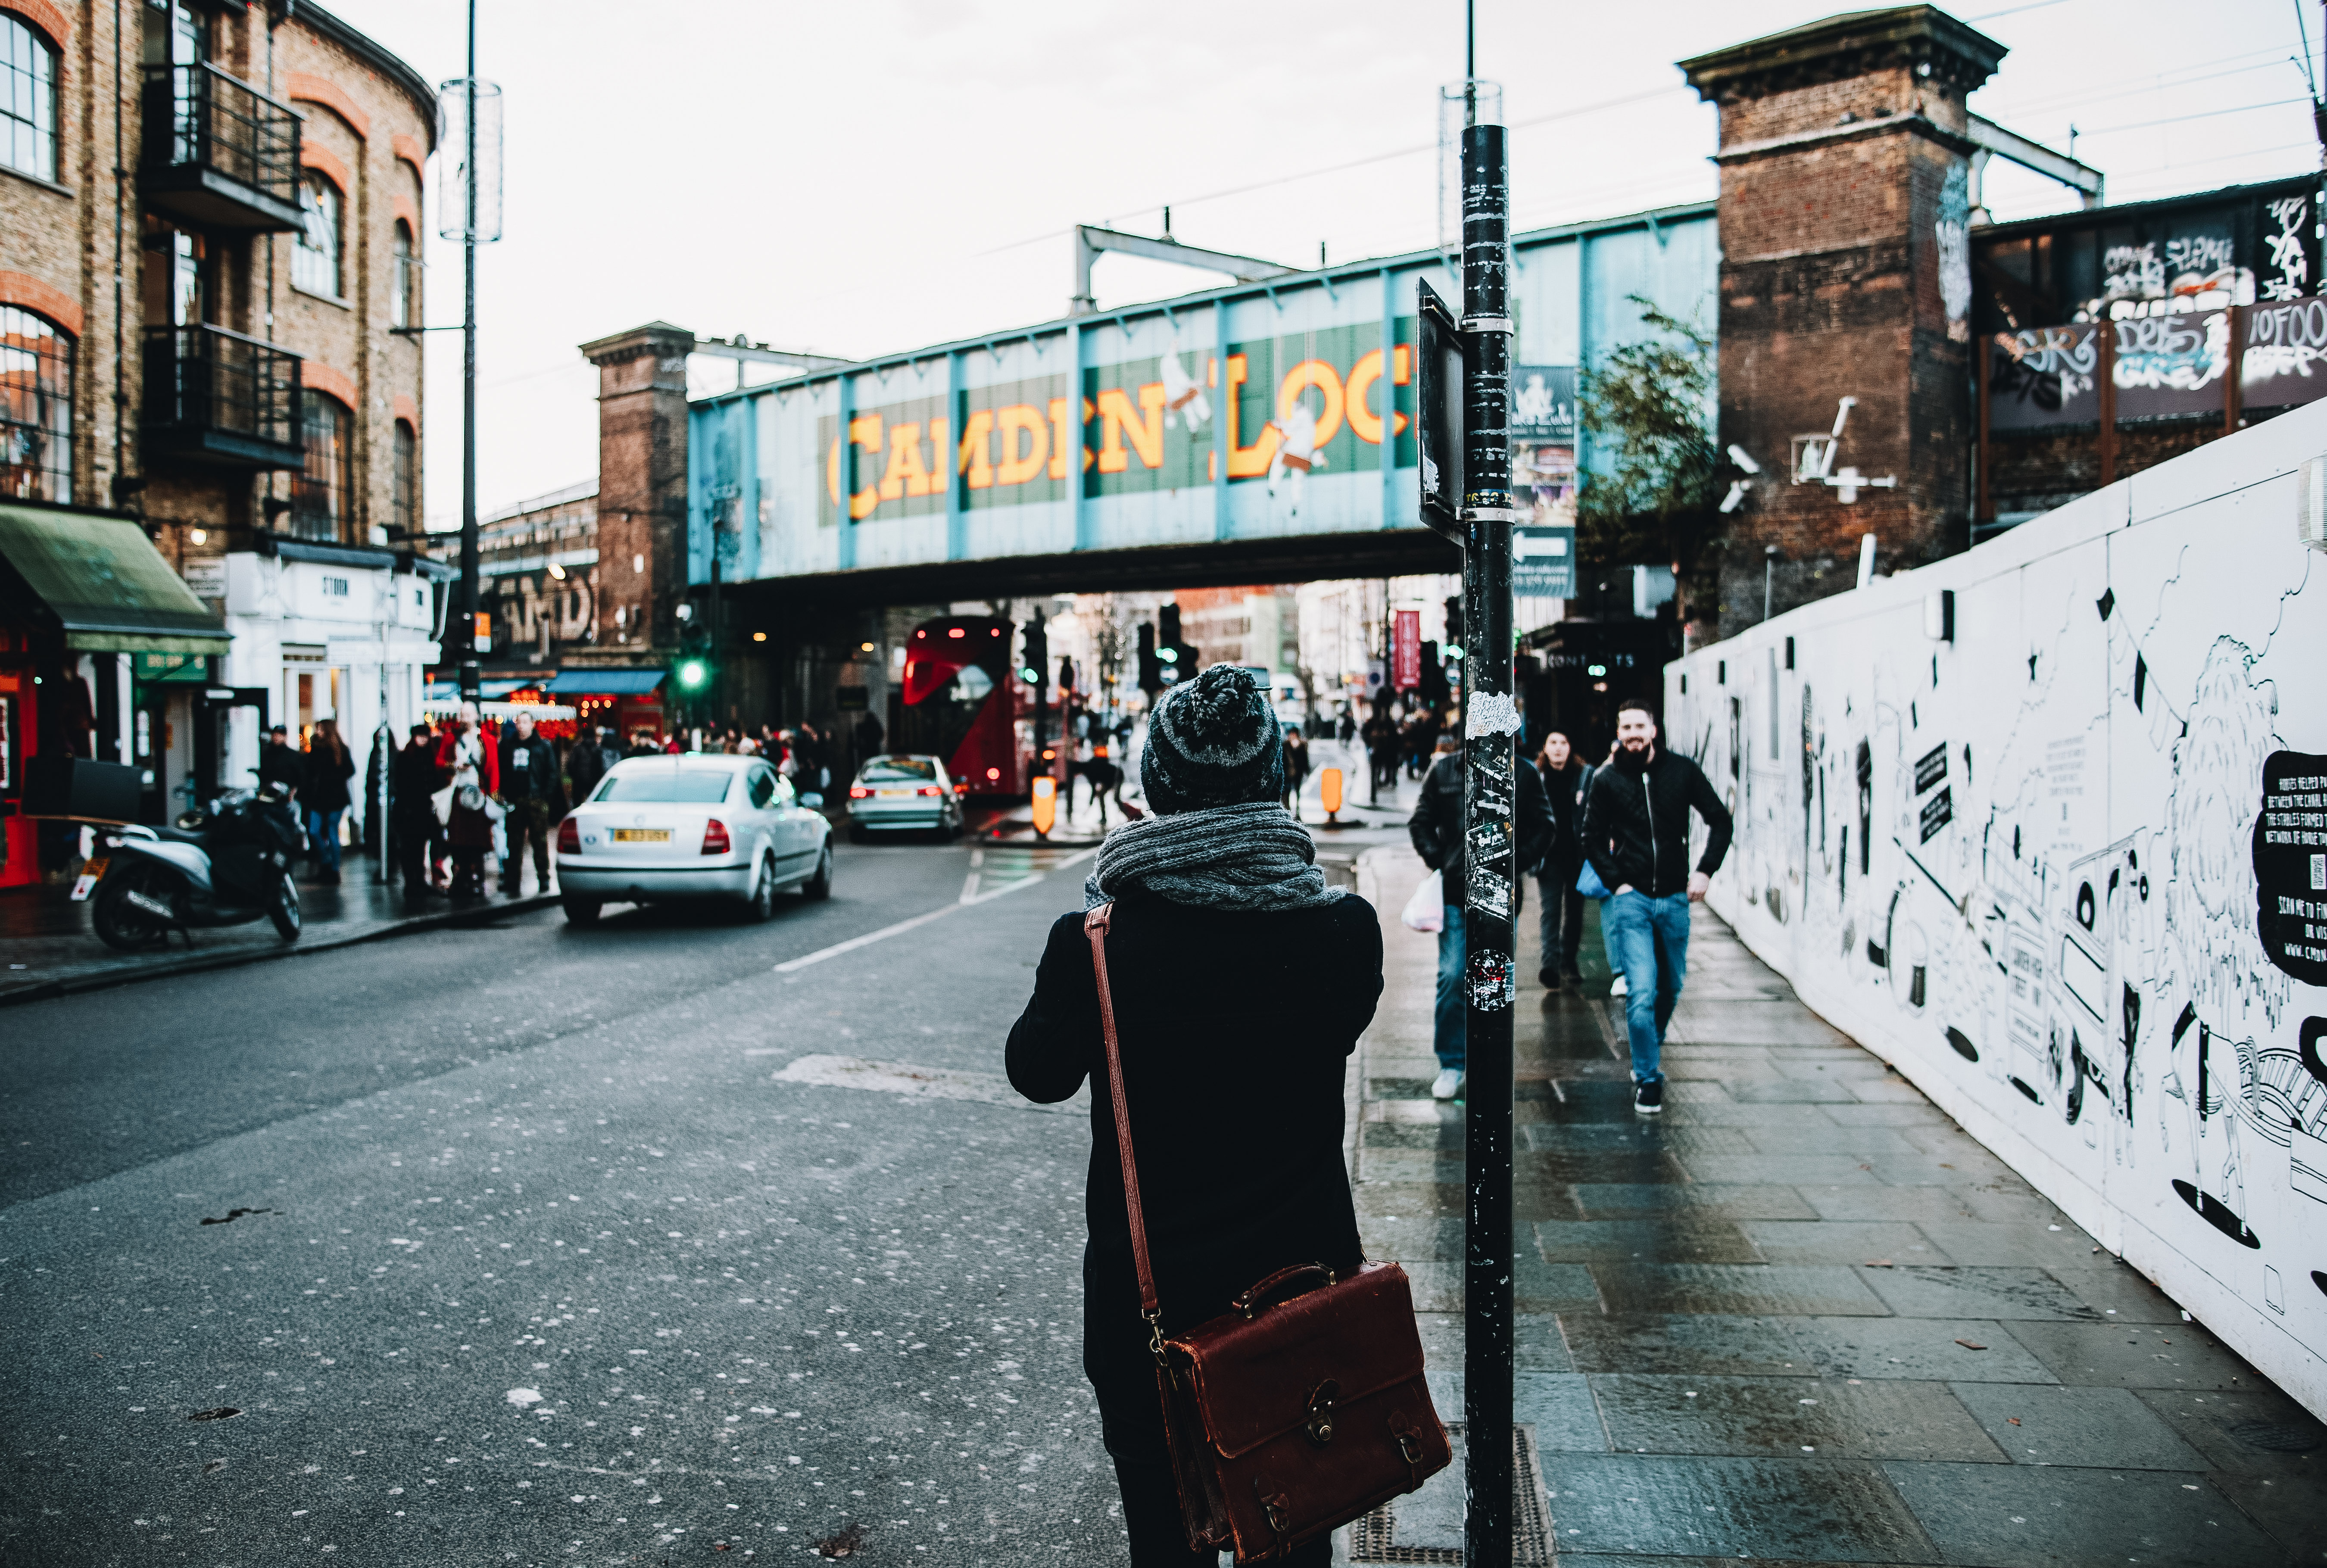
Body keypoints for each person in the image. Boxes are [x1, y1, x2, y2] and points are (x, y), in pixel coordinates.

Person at [1006, 664, 1379, 1568]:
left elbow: (1036, 1072)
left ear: (1156, 787)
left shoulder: (1095, 943)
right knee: (1295, 1530)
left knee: (1165, 1545)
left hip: (1149, 1311)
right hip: (1299, 1296)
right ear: (1273, 782)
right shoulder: (1343, 934)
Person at [1578, 698, 1734, 1115]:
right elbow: (1590, 836)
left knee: (1672, 988)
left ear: (1653, 730)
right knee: (1642, 992)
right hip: (1632, 902)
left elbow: (1721, 819)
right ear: (1619, 731)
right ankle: (1648, 1077)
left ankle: (1647, 1043)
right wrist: (1619, 883)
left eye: (1638, 726)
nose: (1632, 733)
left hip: (1674, 899)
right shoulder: (1606, 778)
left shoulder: (1681, 771)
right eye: (1625, 726)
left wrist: (1704, 872)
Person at [1408, 729, 1550, 1100]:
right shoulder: (1444, 772)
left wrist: (1515, 864)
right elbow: (1420, 822)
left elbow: (1544, 826)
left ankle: (1489, 1057)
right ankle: (1453, 1062)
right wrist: (1442, 861)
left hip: (1502, 896)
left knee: (1493, 981)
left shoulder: (1524, 772)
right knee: (1454, 975)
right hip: (1456, 893)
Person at [1533, 729, 1589, 990]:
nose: (1558, 748)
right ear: (1545, 748)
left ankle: (1569, 960)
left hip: (1577, 856)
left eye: (1563, 743)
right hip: (1549, 857)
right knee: (1551, 912)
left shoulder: (1584, 776)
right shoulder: (1537, 776)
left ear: (1571, 747)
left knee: (1576, 913)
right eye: (1553, 743)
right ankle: (1550, 965)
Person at [497, 710, 559, 897]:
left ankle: (544, 877)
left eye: (525, 722)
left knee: (539, 840)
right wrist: (504, 793)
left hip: (536, 800)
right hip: (515, 800)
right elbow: (502, 770)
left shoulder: (543, 746)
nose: (521, 726)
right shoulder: (508, 746)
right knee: (514, 841)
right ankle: (513, 879)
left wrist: (544, 796)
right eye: (519, 722)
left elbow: (552, 772)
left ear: (533, 725)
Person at [391, 723, 444, 896]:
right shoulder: (406, 757)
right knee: (410, 847)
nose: (422, 740)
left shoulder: (431, 755)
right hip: (410, 810)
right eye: (419, 737)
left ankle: (420, 880)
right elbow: (401, 784)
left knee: (422, 846)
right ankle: (411, 882)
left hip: (426, 810)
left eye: (424, 736)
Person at [302, 716, 355, 884]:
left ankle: (333, 868)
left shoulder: (341, 750)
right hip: (319, 798)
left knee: (332, 831)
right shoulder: (316, 749)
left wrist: (333, 780)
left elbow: (350, 770)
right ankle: (326, 862)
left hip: (334, 798)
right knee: (314, 830)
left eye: (320, 729)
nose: (318, 732)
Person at [566, 724, 613, 806]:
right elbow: (601, 766)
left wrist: (574, 777)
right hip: (593, 781)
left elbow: (571, 765)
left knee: (577, 803)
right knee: (592, 804)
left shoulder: (578, 749)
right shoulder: (597, 749)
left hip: (578, 782)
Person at [257, 723, 302, 801]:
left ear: (285, 736)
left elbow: (300, 776)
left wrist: (294, 792)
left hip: (286, 797)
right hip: (268, 796)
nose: (277, 737)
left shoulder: (293, 755)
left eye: (280, 735)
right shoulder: (267, 754)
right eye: (275, 734)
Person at [1280, 723, 1310, 819]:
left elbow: (1305, 759)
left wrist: (1307, 770)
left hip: (1298, 773)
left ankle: (1297, 812)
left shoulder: (1302, 745)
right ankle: (1288, 812)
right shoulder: (1285, 745)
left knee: (1298, 792)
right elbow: (1282, 759)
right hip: (1287, 773)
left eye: (1294, 734)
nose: (1293, 735)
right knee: (1287, 793)